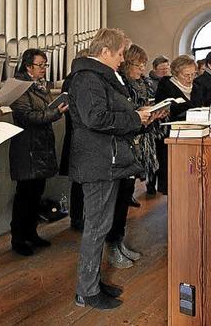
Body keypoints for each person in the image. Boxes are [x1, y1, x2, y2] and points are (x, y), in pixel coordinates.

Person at [69, 28, 151, 310]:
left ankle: (93, 281)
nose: (121, 60)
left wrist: (137, 118)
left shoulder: (98, 77)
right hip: (98, 161)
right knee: (96, 227)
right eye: (118, 54)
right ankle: (86, 291)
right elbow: (96, 118)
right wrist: (134, 117)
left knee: (101, 226)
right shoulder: (88, 78)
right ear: (104, 52)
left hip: (106, 159)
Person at [106, 44, 166, 268]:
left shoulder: (141, 84)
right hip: (122, 148)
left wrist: (155, 113)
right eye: (138, 65)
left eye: (143, 65)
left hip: (139, 145)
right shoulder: (119, 86)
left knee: (126, 196)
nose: (142, 70)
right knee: (117, 201)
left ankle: (119, 242)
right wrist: (141, 116)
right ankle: (113, 246)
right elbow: (123, 117)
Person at [9, 48, 67, 256]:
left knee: (36, 194)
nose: (44, 68)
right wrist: (54, 112)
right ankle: (18, 239)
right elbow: (26, 116)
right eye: (40, 65)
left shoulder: (40, 86)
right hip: (27, 148)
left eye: (45, 65)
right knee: (24, 195)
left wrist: (53, 111)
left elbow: (42, 112)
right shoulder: (19, 87)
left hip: (40, 146)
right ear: (27, 66)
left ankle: (31, 233)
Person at [154, 55, 201, 194]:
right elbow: (162, 109)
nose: (190, 78)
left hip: (194, 134)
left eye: (193, 74)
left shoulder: (198, 87)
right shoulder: (166, 85)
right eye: (186, 75)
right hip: (172, 135)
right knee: (175, 177)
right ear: (176, 73)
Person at [60, 48, 90, 232]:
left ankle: (80, 216)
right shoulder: (74, 80)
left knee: (82, 179)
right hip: (78, 135)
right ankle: (77, 217)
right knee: (79, 180)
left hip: (80, 135)